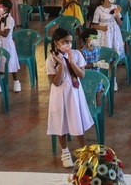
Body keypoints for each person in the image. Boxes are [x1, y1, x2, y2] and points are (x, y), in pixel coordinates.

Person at [46, 27, 94, 168]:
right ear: (56, 43)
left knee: (77, 120)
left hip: (74, 93)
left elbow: (82, 75)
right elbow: (56, 82)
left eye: (70, 42)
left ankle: (83, 150)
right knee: (61, 122)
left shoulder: (77, 54)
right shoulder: (51, 59)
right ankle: (65, 152)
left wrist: (71, 61)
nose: (68, 44)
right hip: (59, 95)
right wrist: (61, 65)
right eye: (64, 41)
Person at [92, 0, 125, 90]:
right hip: (103, 36)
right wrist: (101, 28)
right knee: (103, 58)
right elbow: (94, 25)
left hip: (114, 34)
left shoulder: (115, 7)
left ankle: (113, 80)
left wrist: (117, 15)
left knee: (113, 59)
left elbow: (120, 23)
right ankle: (102, 81)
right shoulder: (99, 9)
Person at [0, 0, 21, 93]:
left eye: (0, 7)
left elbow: (5, 33)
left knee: (11, 63)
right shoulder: (0, 18)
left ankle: (16, 82)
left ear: (6, 8)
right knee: (0, 63)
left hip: (7, 43)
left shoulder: (9, 19)